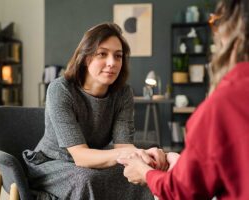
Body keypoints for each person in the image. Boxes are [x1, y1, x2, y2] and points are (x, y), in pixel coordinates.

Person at [117, 0, 249, 199]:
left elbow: (182, 191)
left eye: (214, 23)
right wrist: (180, 162)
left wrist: (144, 172)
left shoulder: (221, 105)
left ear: (230, 30)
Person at [23, 22, 167, 200]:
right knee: (88, 179)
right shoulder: (60, 90)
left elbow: (123, 145)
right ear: (85, 57)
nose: (112, 63)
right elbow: (81, 156)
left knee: (138, 174)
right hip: (52, 164)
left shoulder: (123, 93)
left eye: (118, 56)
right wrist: (135, 154)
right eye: (102, 54)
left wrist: (143, 156)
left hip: (93, 160)